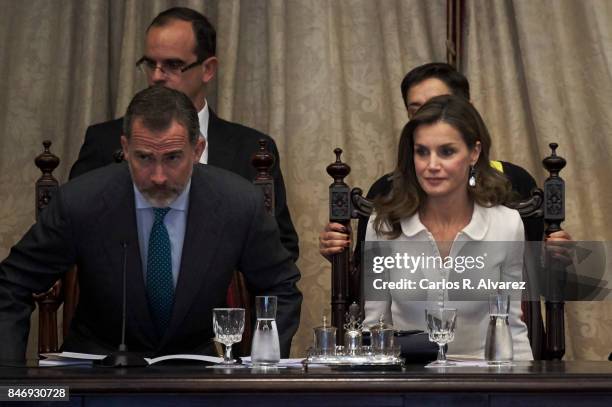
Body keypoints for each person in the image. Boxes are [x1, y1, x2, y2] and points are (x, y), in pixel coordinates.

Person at [0, 86, 302, 363]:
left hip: (195, 373)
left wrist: (262, 367)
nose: (158, 176)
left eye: (173, 158)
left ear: (197, 150)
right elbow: (12, 284)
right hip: (98, 374)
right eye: (144, 158)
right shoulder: (81, 202)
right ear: (126, 148)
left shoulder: (237, 203)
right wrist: (8, 379)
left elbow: (280, 286)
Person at [70, 7, 299, 261]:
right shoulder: (104, 141)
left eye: (173, 65)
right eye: (150, 64)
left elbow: (282, 248)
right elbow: (71, 233)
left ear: (208, 69)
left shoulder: (253, 149)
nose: (156, 76)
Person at [319, 62, 570, 262]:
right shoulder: (386, 189)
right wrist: (338, 257)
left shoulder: (514, 181)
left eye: (442, 104)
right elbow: (367, 279)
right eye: (417, 110)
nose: (431, 117)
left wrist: (555, 256)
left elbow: (530, 275)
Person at [363, 94, 532, 359]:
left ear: (474, 153)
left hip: (482, 385)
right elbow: (374, 327)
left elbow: (511, 325)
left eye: (447, 151)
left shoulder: (507, 225)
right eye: (422, 152)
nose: (432, 166)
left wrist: (525, 394)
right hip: (406, 383)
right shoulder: (382, 224)